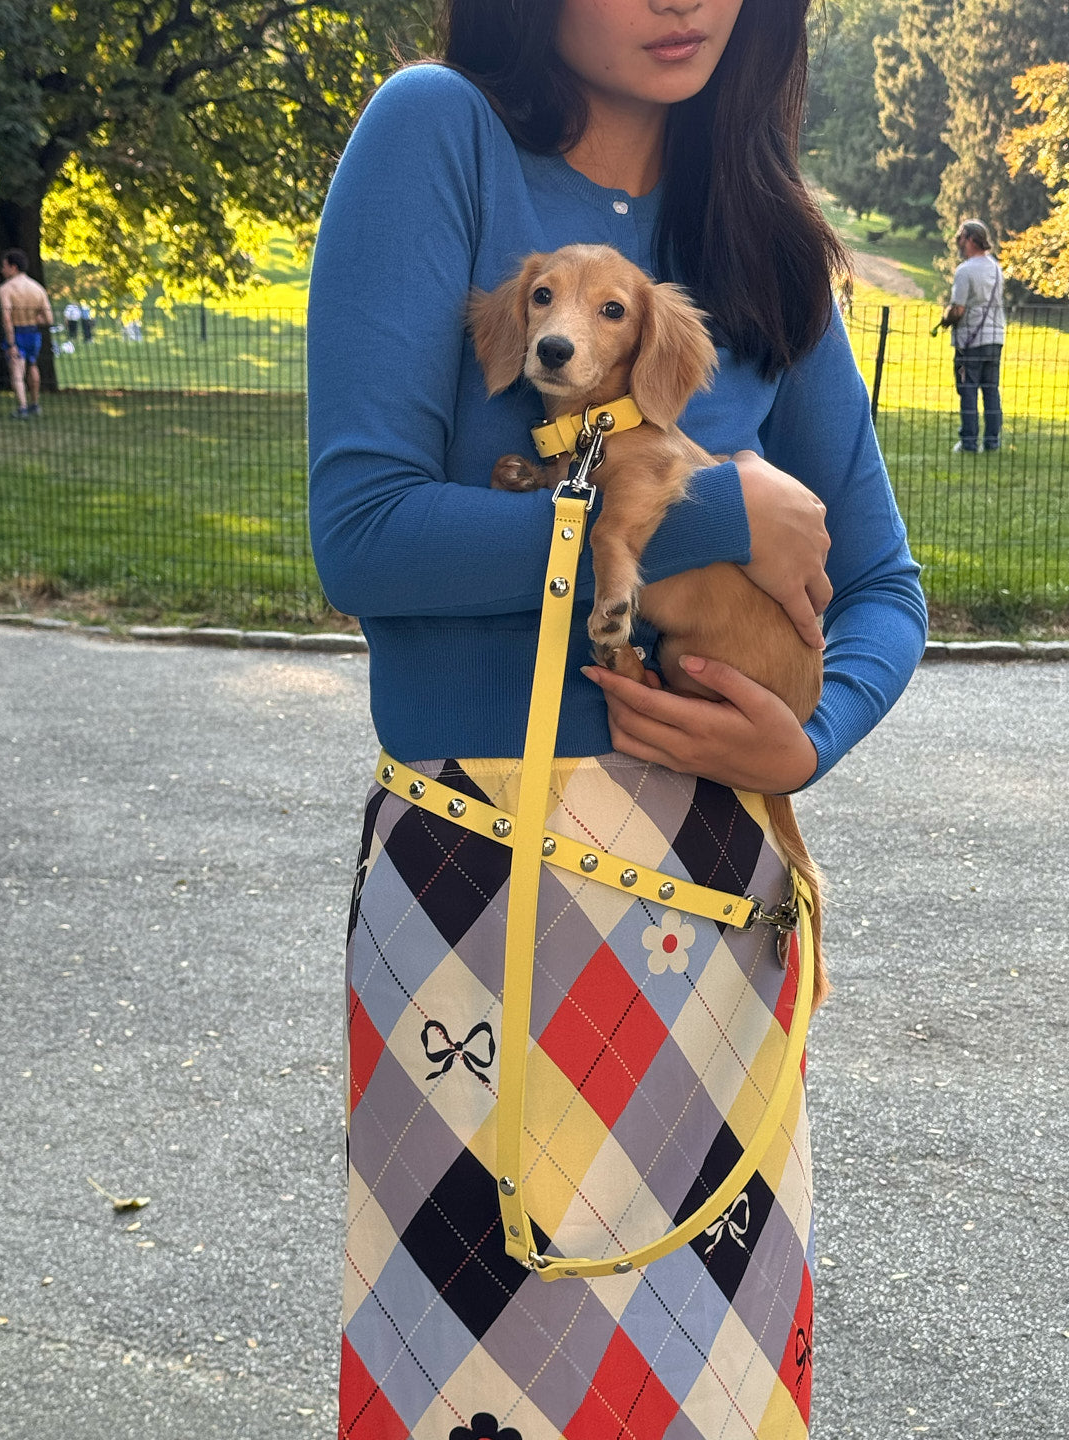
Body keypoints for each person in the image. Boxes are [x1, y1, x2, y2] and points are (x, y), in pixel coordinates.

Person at [308, 3, 927, 1436]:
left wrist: (811, 739)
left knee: (705, 1383)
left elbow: (888, 587)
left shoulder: (759, 237)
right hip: (481, 885)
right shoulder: (438, 137)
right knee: (476, 1375)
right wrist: (715, 505)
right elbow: (367, 532)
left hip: (720, 909)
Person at [937, 219, 1005, 453]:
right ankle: (992, 441)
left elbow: (959, 309)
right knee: (991, 389)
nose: (958, 241)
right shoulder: (996, 267)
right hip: (995, 336)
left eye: (960, 237)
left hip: (971, 339)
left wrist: (945, 319)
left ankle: (968, 442)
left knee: (968, 389)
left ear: (970, 239)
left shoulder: (965, 270)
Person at [0, 249, 54, 418]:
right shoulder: (37, 288)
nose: (2, 270)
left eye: (4, 266)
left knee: (17, 371)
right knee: (33, 365)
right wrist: (34, 319)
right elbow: (49, 319)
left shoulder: (6, 289)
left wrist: (12, 343)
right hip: (33, 332)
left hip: (17, 332)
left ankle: (22, 407)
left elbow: (7, 318)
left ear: (13, 267)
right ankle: (35, 404)